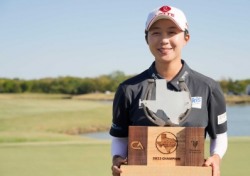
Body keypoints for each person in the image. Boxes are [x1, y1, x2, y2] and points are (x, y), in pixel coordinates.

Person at [110, 5, 228, 176]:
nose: (164, 40)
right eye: (156, 32)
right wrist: (117, 159)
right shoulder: (128, 89)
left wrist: (216, 158)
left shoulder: (208, 88)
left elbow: (219, 136)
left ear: (186, 38)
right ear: (147, 39)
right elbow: (120, 137)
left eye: (172, 32)